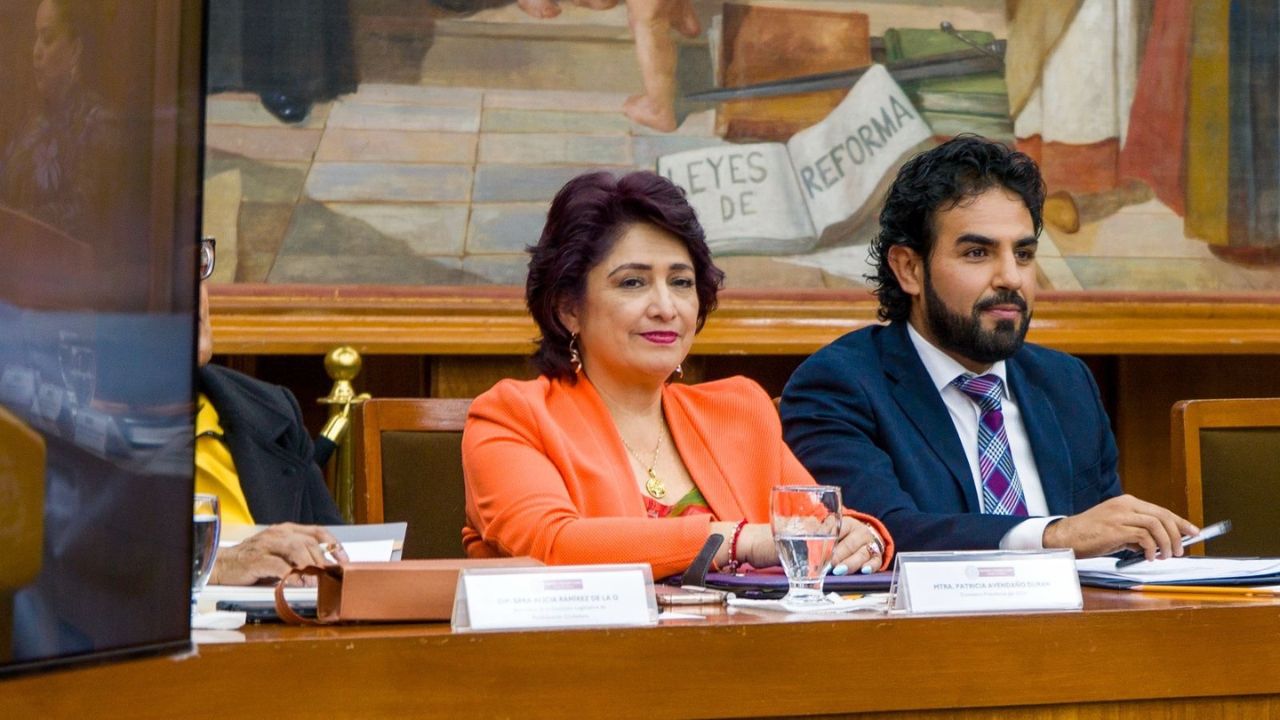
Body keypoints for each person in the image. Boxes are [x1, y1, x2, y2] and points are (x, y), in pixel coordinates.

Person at [780, 135, 1198, 559]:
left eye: (1023, 254)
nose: (1011, 278)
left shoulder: (1066, 383)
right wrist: (1050, 536)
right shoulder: (839, 385)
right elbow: (880, 534)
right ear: (909, 269)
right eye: (978, 253)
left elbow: (1106, 543)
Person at [462, 171, 892, 579]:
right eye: (632, 283)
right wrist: (734, 539)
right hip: (580, 653)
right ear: (569, 308)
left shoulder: (739, 409)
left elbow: (819, 523)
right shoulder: (513, 417)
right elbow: (553, 545)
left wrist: (859, 538)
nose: (666, 307)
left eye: (682, 282)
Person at [195, 237, 349, 585]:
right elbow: (73, 568)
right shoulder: (64, 424)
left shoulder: (270, 412)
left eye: (195, 263)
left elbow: (339, 556)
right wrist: (215, 566)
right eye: (162, 272)